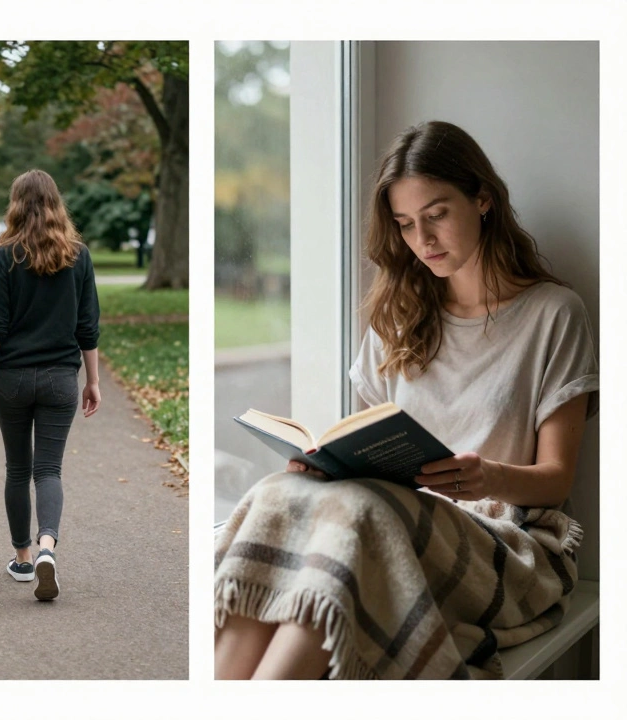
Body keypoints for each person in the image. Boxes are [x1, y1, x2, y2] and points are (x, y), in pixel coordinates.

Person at [214, 121, 598, 679]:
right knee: (278, 489)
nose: (424, 240)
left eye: (437, 214)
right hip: (393, 520)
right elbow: (360, 437)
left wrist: (485, 475)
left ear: (483, 199)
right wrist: (323, 464)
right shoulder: (397, 316)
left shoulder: (554, 314)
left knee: (362, 517)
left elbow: (557, 478)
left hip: (508, 542)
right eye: (406, 225)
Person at [0, 169, 101, 601]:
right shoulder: (78, 256)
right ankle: (48, 547)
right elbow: (88, 326)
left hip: (12, 380)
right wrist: (93, 380)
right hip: (62, 379)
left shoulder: (6, 256)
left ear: (16, 204)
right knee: (48, 470)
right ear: (56, 203)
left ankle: (24, 559)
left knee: (17, 469)